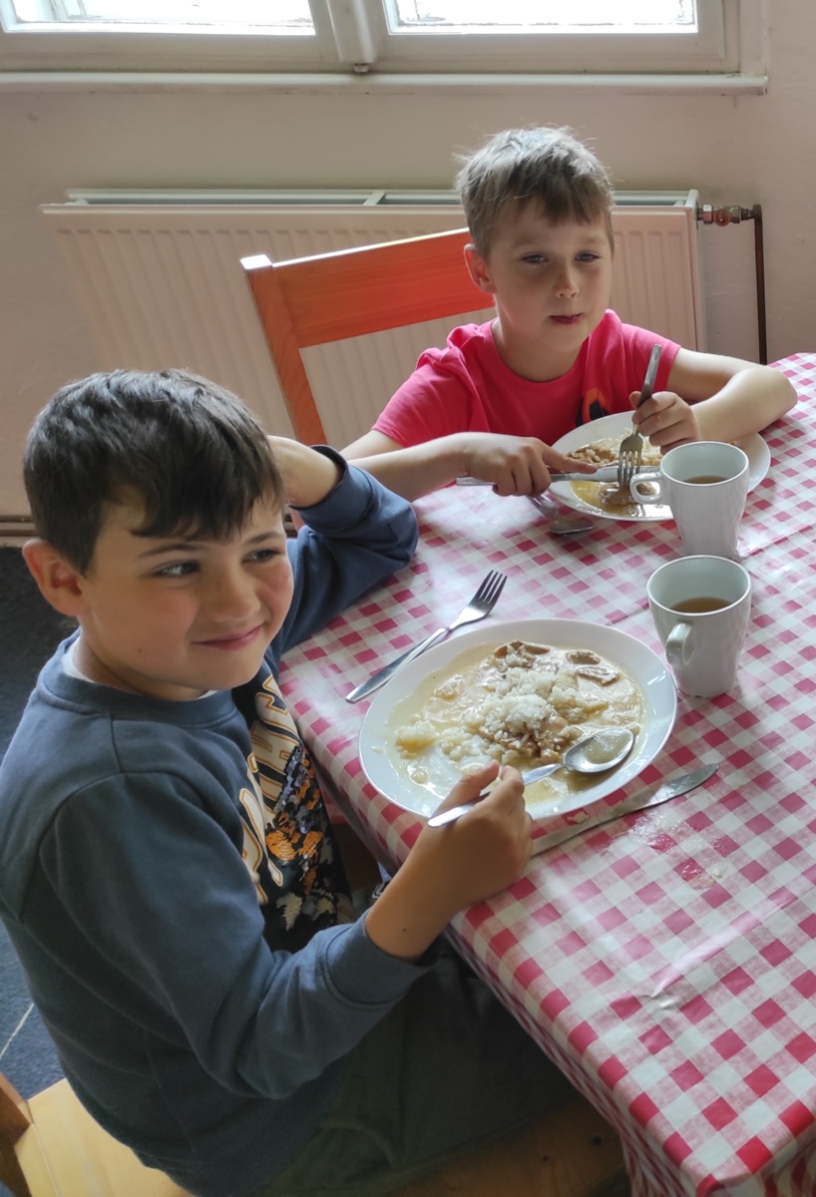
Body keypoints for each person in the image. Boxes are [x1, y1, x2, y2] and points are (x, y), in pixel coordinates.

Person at [0, 370, 572, 1197]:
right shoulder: (112, 794)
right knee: (593, 1036)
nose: (239, 600)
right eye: (176, 565)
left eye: (263, 549)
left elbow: (382, 540)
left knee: (549, 934)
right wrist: (426, 889)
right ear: (64, 578)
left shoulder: (185, 648)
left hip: (312, 966)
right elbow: (261, 1047)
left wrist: (301, 469)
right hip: (279, 1120)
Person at [344, 126, 797, 500]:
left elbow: (773, 387)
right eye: (535, 259)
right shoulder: (454, 385)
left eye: (586, 257)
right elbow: (325, 490)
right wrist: (459, 454)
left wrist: (696, 424)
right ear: (483, 270)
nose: (567, 285)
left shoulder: (619, 350)